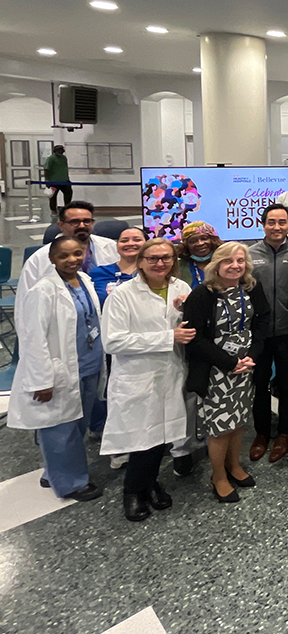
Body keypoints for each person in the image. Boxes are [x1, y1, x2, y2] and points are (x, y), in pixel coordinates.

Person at [100, 239, 193, 521]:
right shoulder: (122, 295)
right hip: (137, 377)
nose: (160, 263)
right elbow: (113, 341)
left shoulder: (181, 289)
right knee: (142, 440)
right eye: (152, 258)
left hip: (171, 373)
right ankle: (132, 492)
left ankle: (150, 484)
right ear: (140, 261)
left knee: (162, 436)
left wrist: (188, 311)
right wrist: (168, 337)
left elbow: (192, 327)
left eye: (166, 258)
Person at [10, 237, 104, 502]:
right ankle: (71, 483)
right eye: (64, 256)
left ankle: (54, 471)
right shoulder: (43, 290)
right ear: (52, 259)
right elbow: (32, 337)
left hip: (87, 365)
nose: (72, 260)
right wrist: (41, 380)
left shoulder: (84, 281)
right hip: (58, 371)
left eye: (77, 253)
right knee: (59, 429)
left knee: (77, 426)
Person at [183, 242, 268, 503]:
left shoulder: (251, 288)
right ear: (217, 264)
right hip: (216, 370)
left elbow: (262, 321)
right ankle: (217, 476)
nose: (235, 266)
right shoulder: (202, 294)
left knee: (240, 419)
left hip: (245, 367)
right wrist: (230, 362)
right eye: (228, 261)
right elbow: (195, 338)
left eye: (240, 261)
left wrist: (251, 357)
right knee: (219, 427)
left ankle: (235, 465)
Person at [247, 205, 288, 463]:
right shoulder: (249, 255)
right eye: (271, 222)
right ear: (262, 224)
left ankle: (285, 432)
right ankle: (261, 433)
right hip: (257, 333)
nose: (276, 227)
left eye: (282, 222)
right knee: (258, 385)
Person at [16, 201, 119, 319]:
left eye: (87, 221)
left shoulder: (111, 247)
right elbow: (25, 303)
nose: (82, 226)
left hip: (107, 315)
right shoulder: (39, 259)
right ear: (61, 225)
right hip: (61, 320)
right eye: (74, 222)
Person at [90, 227, 147, 305]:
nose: (130, 243)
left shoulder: (153, 272)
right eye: (124, 241)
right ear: (117, 246)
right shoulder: (99, 272)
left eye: (137, 240)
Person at [176, 221, 220, 288]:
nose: (200, 243)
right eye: (193, 241)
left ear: (213, 240)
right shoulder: (177, 267)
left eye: (204, 238)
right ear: (186, 245)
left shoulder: (225, 262)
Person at [43, 143, 73, 215]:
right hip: (54, 181)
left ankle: (67, 208)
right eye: (60, 149)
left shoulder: (64, 158)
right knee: (53, 197)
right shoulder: (51, 158)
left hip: (64, 180)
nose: (62, 151)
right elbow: (46, 169)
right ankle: (53, 210)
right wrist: (47, 181)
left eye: (62, 149)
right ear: (55, 151)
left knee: (68, 194)